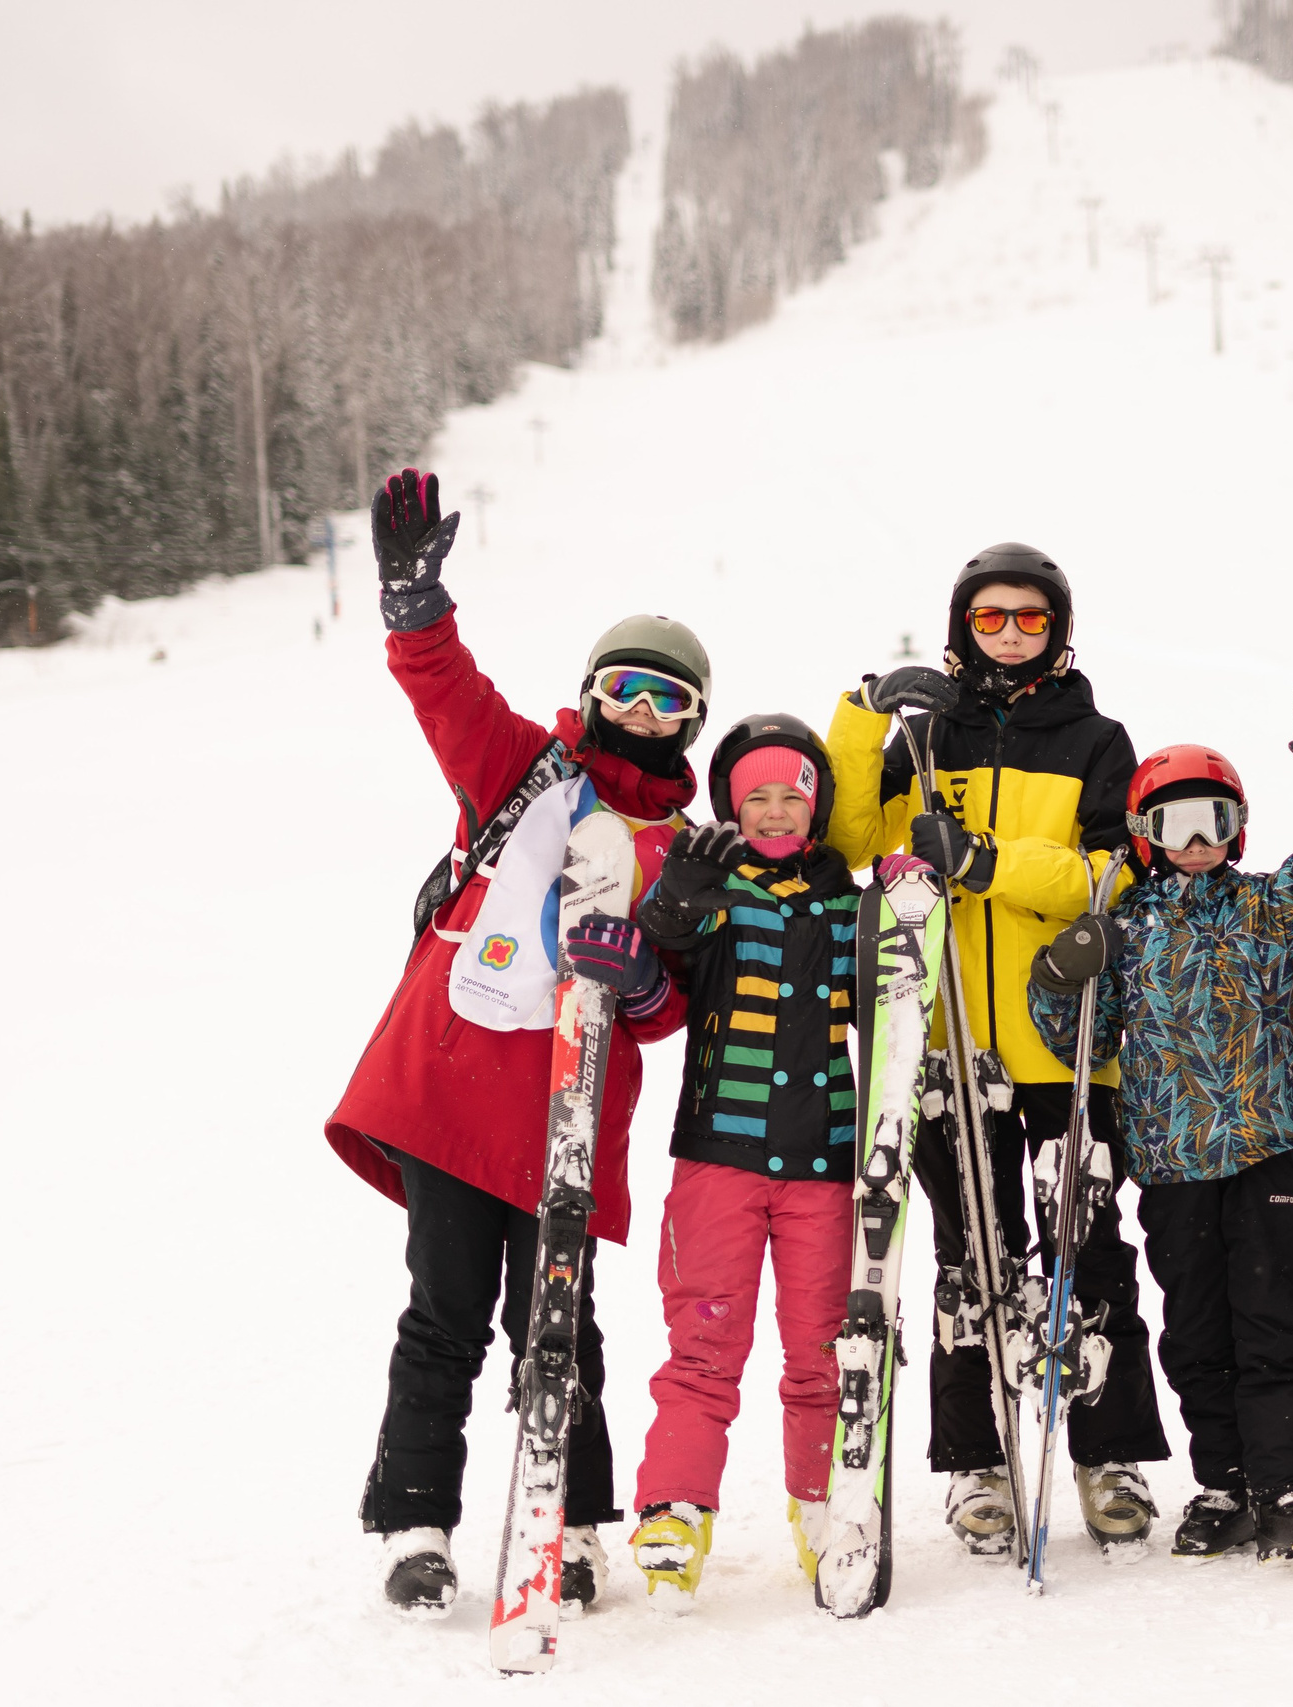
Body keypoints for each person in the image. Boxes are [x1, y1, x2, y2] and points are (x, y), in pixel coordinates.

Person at [325, 469, 705, 1616]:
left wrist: (642, 976)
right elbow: (443, 689)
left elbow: (674, 1001)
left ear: (691, 721)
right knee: (444, 1311)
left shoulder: (685, 845)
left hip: (565, 1112)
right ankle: (413, 1520)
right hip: (456, 1085)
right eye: (624, 689)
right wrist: (412, 604)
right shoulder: (520, 767)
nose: (640, 714)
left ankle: (572, 1519)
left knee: (558, 1325)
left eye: (666, 700)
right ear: (592, 693)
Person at [824, 543, 1170, 1553]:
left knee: (1088, 1248)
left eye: (1029, 618)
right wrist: (862, 713)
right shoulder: (928, 742)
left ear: (1058, 629)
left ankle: (1108, 1455)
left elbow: (1114, 875)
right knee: (969, 1255)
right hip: (947, 1041)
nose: (1011, 635)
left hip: (1064, 1041)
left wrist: (985, 861)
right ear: (962, 628)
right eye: (991, 619)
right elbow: (847, 837)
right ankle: (976, 1461)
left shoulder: (1096, 739)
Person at [1027, 681, 1293, 1563]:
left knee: (1271, 1323)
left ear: (1236, 829)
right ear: (1143, 836)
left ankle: (1290, 1485)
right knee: (1195, 1332)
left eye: (1211, 823)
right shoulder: (1128, 929)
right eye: (1174, 825)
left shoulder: (1264, 909)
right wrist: (1060, 974)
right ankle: (1223, 1483)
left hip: (1265, 1150)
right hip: (1173, 1162)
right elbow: (1078, 1042)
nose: (1193, 844)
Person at [618, 714, 928, 1609]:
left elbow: (895, 1005)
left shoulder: (847, 902)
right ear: (731, 806)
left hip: (829, 1166)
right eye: (755, 796)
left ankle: (823, 1502)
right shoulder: (713, 891)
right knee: (705, 1346)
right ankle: (676, 1504)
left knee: (824, 1353)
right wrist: (677, 896)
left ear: (818, 804)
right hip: (721, 1157)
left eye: (792, 794)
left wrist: (908, 906)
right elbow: (667, 951)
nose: (774, 810)